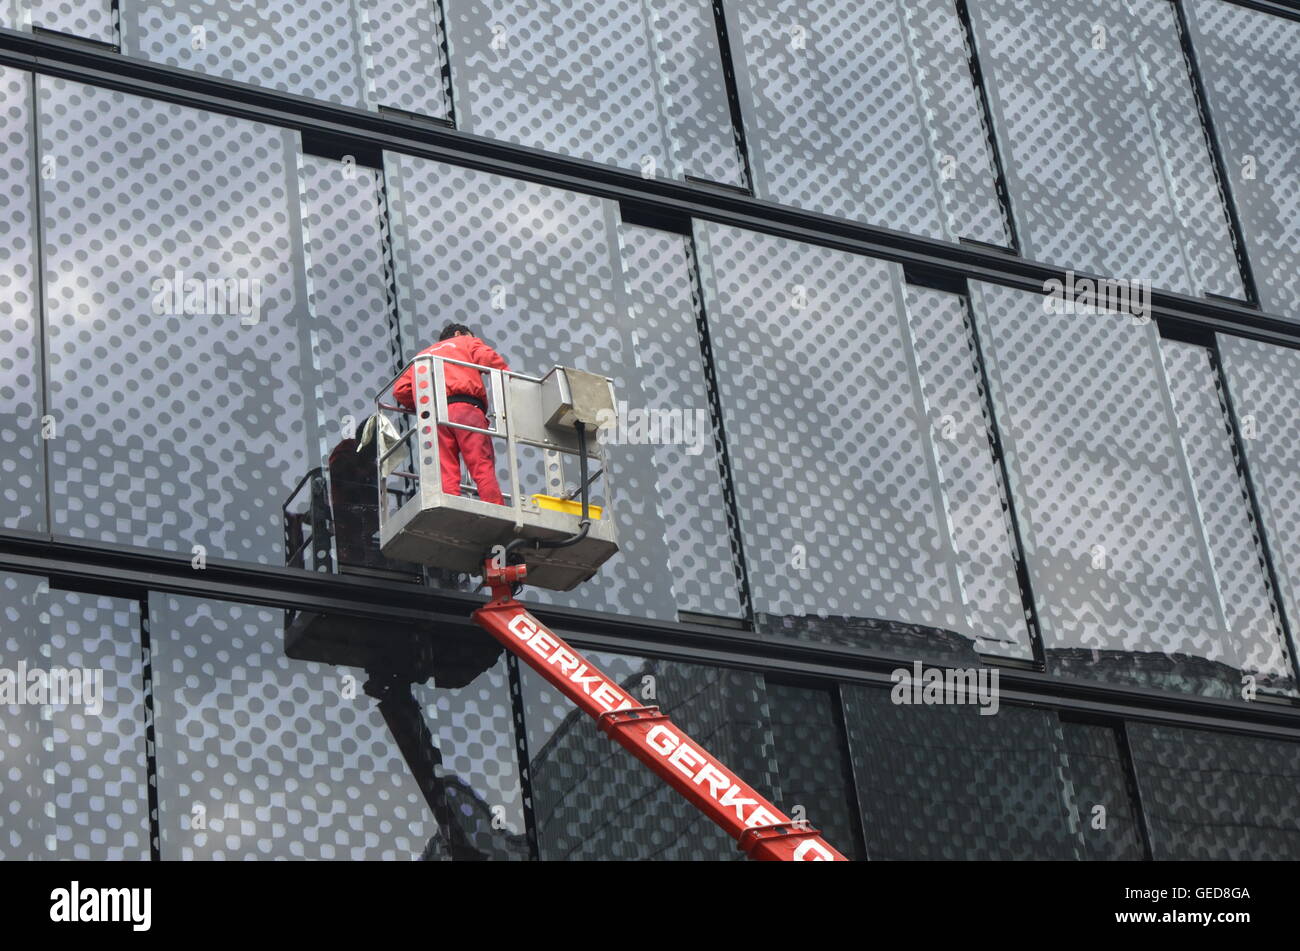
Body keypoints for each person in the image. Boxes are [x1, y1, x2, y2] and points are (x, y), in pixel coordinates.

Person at [393, 324, 510, 505]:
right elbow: (489, 359)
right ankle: (495, 506)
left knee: (446, 468)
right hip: (467, 409)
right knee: (481, 465)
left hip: (436, 416)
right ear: (458, 334)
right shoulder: (464, 341)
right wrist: (512, 382)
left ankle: (449, 506)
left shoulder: (423, 356)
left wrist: (422, 405)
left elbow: (401, 390)